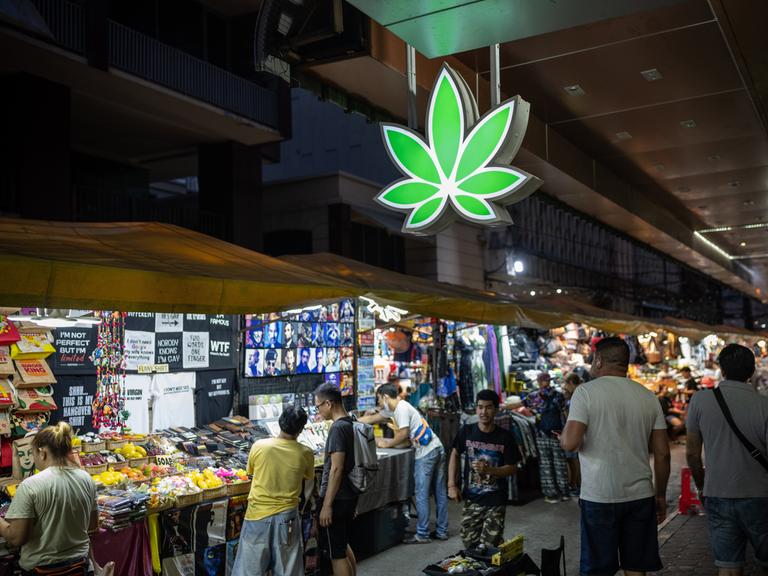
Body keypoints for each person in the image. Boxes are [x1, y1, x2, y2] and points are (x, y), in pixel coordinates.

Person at [561, 337, 670, 576]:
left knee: (599, 570)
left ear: (598, 359)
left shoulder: (585, 393)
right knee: (636, 567)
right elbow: (662, 453)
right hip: (640, 495)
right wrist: (660, 494)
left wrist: (562, 436)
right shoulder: (647, 396)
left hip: (600, 496)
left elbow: (570, 443)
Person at [686, 343, 768, 576]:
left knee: (728, 567)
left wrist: (702, 486)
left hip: (718, 493)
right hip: (761, 495)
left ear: (721, 369)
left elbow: (692, 453)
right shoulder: (764, 404)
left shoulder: (700, 401)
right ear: (751, 371)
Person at [0, 423, 98, 575]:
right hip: (80, 567)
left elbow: (15, 538)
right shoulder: (86, 479)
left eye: (33, 454)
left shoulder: (30, 485)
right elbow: (92, 525)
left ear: (42, 452)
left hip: (42, 569)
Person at [233, 405, 314, 576]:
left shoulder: (260, 446)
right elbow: (307, 487)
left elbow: (251, 473)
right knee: (288, 570)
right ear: (301, 429)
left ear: (280, 422)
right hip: (288, 518)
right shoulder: (305, 453)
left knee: (248, 571)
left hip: (257, 516)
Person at [375, 383, 448, 543]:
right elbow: (377, 417)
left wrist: (386, 443)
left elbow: (403, 434)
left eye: (379, 399)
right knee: (440, 493)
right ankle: (442, 531)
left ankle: (422, 534)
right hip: (437, 447)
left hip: (426, 453)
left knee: (421, 494)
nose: (379, 403)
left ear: (386, 397)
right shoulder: (401, 407)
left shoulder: (400, 409)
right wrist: (356, 419)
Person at [448, 389, 519, 550]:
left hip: (496, 501)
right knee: (468, 542)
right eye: (480, 407)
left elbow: (512, 468)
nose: (483, 412)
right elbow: (454, 453)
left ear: (496, 410)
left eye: (488, 407)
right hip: (472, 498)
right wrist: (451, 485)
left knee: (489, 546)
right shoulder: (467, 431)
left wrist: (490, 471)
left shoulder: (505, 437)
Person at [314, 384, 357, 576]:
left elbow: (337, 468)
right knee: (342, 545)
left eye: (318, 406)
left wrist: (327, 505)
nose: (318, 410)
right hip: (347, 496)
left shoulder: (338, 429)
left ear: (329, 403)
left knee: (336, 554)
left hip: (337, 499)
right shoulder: (351, 422)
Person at [523, 372, 570, 503]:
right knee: (560, 463)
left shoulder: (533, 396)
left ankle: (551, 494)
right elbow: (565, 412)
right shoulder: (559, 395)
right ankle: (564, 492)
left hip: (541, 433)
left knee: (546, 464)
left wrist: (504, 407)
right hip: (557, 433)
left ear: (538, 381)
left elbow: (521, 405)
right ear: (549, 381)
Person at [561, 372, 582, 495]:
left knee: (574, 461)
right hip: (575, 432)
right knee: (573, 460)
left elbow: (571, 418)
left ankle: (576, 485)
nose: (564, 387)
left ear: (571, 383)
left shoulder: (576, 397)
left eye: (566, 384)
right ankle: (575, 485)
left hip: (573, 432)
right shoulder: (577, 394)